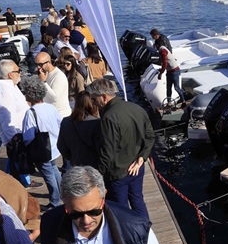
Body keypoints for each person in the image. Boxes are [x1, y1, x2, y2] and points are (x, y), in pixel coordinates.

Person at [86, 78, 155, 220]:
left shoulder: (108, 118)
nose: (93, 103)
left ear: (103, 97)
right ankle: (145, 227)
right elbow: (150, 136)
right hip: (137, 168)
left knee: (121, 210)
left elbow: (107, 153)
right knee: (138, 200)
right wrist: (142, 157)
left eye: (94, 99)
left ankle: (126, 232)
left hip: (118, 173)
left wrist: (97, 176)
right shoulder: (136, 108)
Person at [0, 59, 37, 188]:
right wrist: (13, 139)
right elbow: (6, 118)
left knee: (14, 160)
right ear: (10, 74)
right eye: (18, 71)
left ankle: (10, 179)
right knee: (18, 159)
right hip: (15, 133)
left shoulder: (10, 86)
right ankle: (24, 182)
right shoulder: (4, 92)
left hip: (19, 131)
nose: (20, 73)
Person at [19, 76, 64, 208]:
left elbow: (28, 136)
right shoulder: (51, 107)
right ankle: (62, 194)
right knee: (54, 170)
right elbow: (59, 123)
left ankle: (55, 201)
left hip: (42, 150)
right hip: (54, 147)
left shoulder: (31, 113)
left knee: (48, 175)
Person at [58, 92, 101, 169]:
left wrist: (72, 158)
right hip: (95, 165)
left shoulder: (65, 122)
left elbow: (61, 146)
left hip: (76, 163)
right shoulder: (97, 123)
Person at [34, 51, 72, 118]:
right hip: (49, 114)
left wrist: (44, 82)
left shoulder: (58, 76)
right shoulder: (42, 74)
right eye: (36, 64)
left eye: (40, 64)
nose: (38, 67)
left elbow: (54, 98)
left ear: (49, 63)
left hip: (61, 116)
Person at [153, 31, 184, 109]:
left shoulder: (163, 50)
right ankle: (169, 103)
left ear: (157, 45)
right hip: (169, 71)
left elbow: (165, 63)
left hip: (174, 71)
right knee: (168, 87)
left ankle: (183, 101)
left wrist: (160, 73)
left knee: (176, 88)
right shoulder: (162, 49)